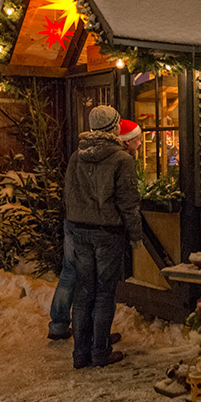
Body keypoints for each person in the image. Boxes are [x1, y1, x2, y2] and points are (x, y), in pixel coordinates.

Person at [48, 118, 141, 341]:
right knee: (103, 292)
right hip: (106, 231)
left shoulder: (77, 155)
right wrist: (135, 234)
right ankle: (99, 344)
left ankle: (80, 347)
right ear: (115, 130)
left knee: (82, 288)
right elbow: (127, 202)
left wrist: (74, 220)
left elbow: (69, 192)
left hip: (77, 227)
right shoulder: (121, 159)